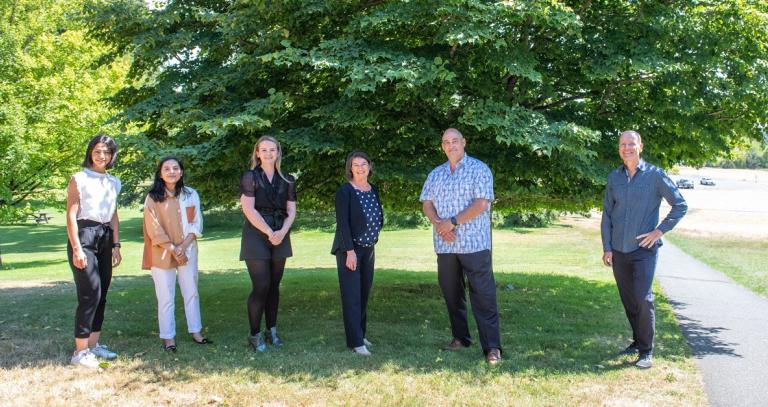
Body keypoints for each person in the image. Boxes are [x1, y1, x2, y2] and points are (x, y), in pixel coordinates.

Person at [601, 130, 687, 369]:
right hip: (618, 250)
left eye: (631, 144)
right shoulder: (614, 177)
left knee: (642, 298)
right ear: (619, 148)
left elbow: (680, 205)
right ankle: (637, 341)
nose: (627, 148)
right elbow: (607, 215)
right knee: (629, 300)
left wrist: (658, 231)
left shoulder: (656, 176)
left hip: (643, 250)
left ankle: (646, 351)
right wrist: (607, 247)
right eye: (623, 144)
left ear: (641, 147)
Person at [420, 128, 502, 364]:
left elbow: (481, 204)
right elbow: (427, 203)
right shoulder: (436, 174)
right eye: (446, 142)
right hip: (445, 245)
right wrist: (440, 224)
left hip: (474, 244)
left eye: (455, 141)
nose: (451, 145)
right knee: (452, 294)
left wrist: (452, 222)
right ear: (442, 146)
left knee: (483, 296)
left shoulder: (479, 169)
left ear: (464, 142)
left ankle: (492, 347)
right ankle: (460, 338)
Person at [142, 157, 211, 352]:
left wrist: (183, 247)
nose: (171, 171)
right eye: (167, 168)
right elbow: (153, 229)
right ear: (160, 173)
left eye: (175, 168)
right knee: (165, 296)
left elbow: (196, 223)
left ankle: (196, 332)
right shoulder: (152, 198)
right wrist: (173, 249)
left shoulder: (191, 194)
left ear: (181, 172)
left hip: (188, 250)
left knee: (191, 292)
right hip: (162, 252)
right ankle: (168, 337)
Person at [66, 134, 122, 368]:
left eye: (107, 152)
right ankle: (79, 353)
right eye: (98, 151)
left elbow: (113, 215)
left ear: (112, 156)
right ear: (90, 152)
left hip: (105, 236)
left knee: (102, 293)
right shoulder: (79, 178)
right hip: (84, 235)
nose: (102, 156)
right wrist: (77, 249)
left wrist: (116, 245)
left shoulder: (114, 182)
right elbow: (71, 215)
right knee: (90, 293)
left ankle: (93, 344)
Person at [240, 135, 296, 352]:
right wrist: (269, 232)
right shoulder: (250, 177)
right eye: (264, 150)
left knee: (274, 285)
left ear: (278, 152)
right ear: (257, 153)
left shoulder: (288, 179)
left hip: (280, 233)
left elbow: (291, 210)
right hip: (256, 234)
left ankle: (271, 330)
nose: (268, 153)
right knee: (261, 285)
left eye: (272, 149)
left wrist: (281, 232)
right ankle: (254, 334)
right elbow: (248, 209)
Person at [331, 151, 384, 356]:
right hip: (350, 250)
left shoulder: (373, 189)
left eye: (364, 164)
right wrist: (350, 252)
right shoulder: (345, 191)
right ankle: (355, 342)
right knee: (352, 295)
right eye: (356, 165)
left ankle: (361, 334)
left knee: (363, 293)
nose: (360, 168)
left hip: (368, 248)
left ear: (369, 167)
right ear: (350, 169)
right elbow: (343, 224)